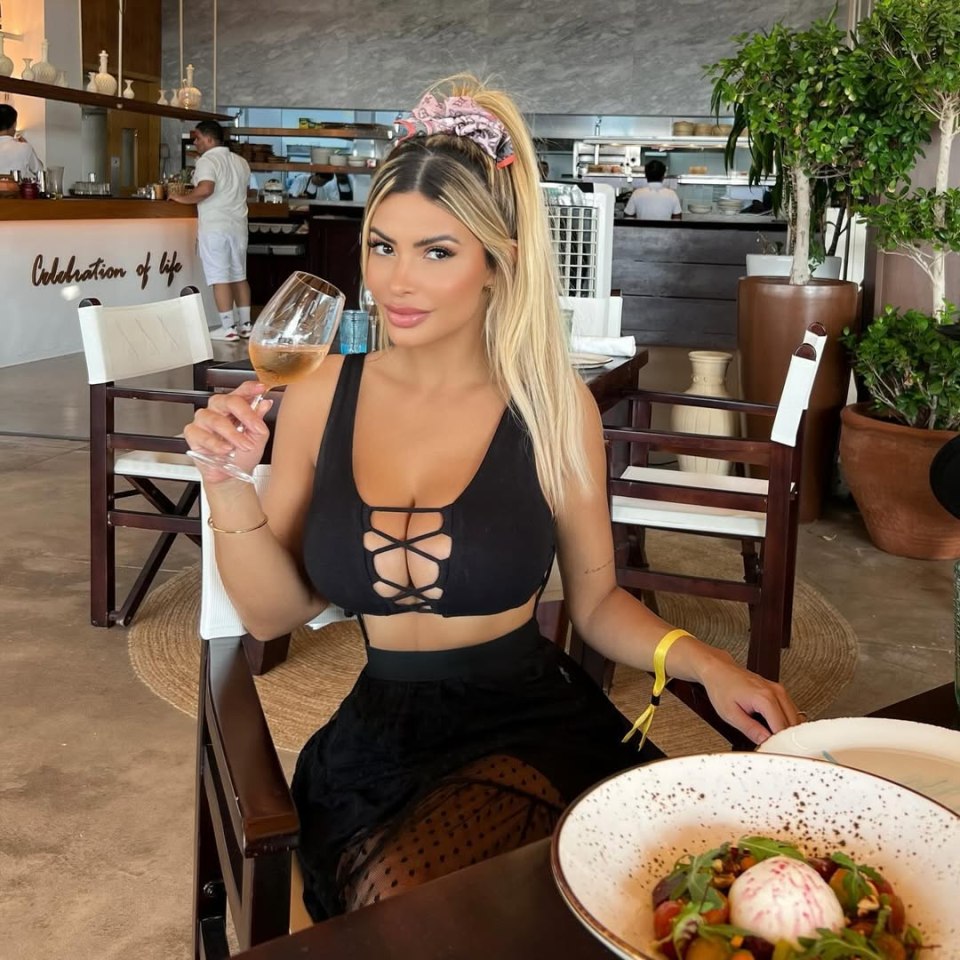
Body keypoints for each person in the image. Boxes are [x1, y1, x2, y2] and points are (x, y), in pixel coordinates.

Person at [184, 75, 799, 924]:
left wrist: (708, 663)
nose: (396, 281)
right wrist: (225, 486)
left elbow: (597, 603)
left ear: (496, 261)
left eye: (437, 251)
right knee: (440, 921)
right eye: (381, 246)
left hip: (537, 719)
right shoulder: (323, 392)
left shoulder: (551, 403)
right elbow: (272, 615)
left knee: (677, 907)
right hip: (381, 748)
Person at [170, 120, 252, 341]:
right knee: (239, 276)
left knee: (220, 277)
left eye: (197, 138)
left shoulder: (207, 160)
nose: (195, 143)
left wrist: (181, 198)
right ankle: (245, 326)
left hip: (216, 226)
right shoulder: (241, 162)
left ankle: (228, 329)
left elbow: (206, 189)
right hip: (238, 227)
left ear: (208, 138)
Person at [0, 105, 43, 178]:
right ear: (14, 124)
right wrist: (26, 145)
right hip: (17, 188)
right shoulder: (24, 147)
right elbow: (39, 171)